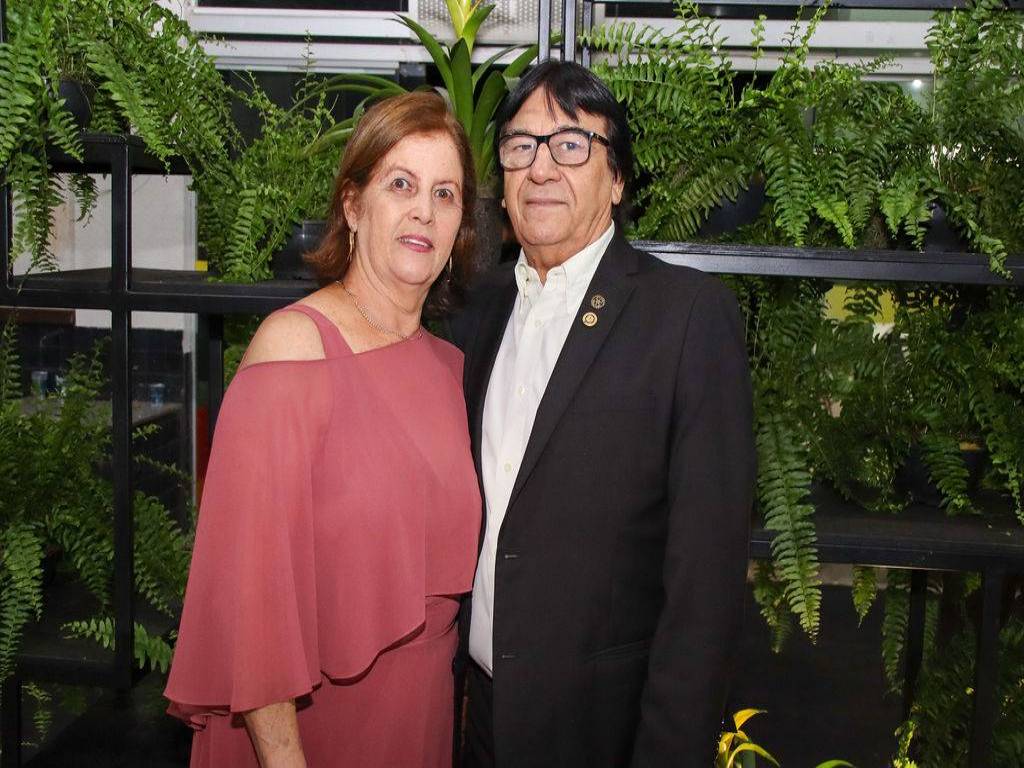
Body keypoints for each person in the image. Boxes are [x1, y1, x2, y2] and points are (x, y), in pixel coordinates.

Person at [452, 61, 756, 768]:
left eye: (570, 144)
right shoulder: (473, 310)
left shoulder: (686, 318)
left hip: (605, 730)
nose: (541, 168)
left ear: (617, 179)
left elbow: (705, 586)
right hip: (477, 717)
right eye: (521, 146)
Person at [165, 90, 482, 768]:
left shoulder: (447, 369)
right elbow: (252, 604)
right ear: (353, 205)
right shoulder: (294, 350)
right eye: (401, 184)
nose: (424, 210)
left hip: (417, 724)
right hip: (310, 733)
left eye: (445, 193)